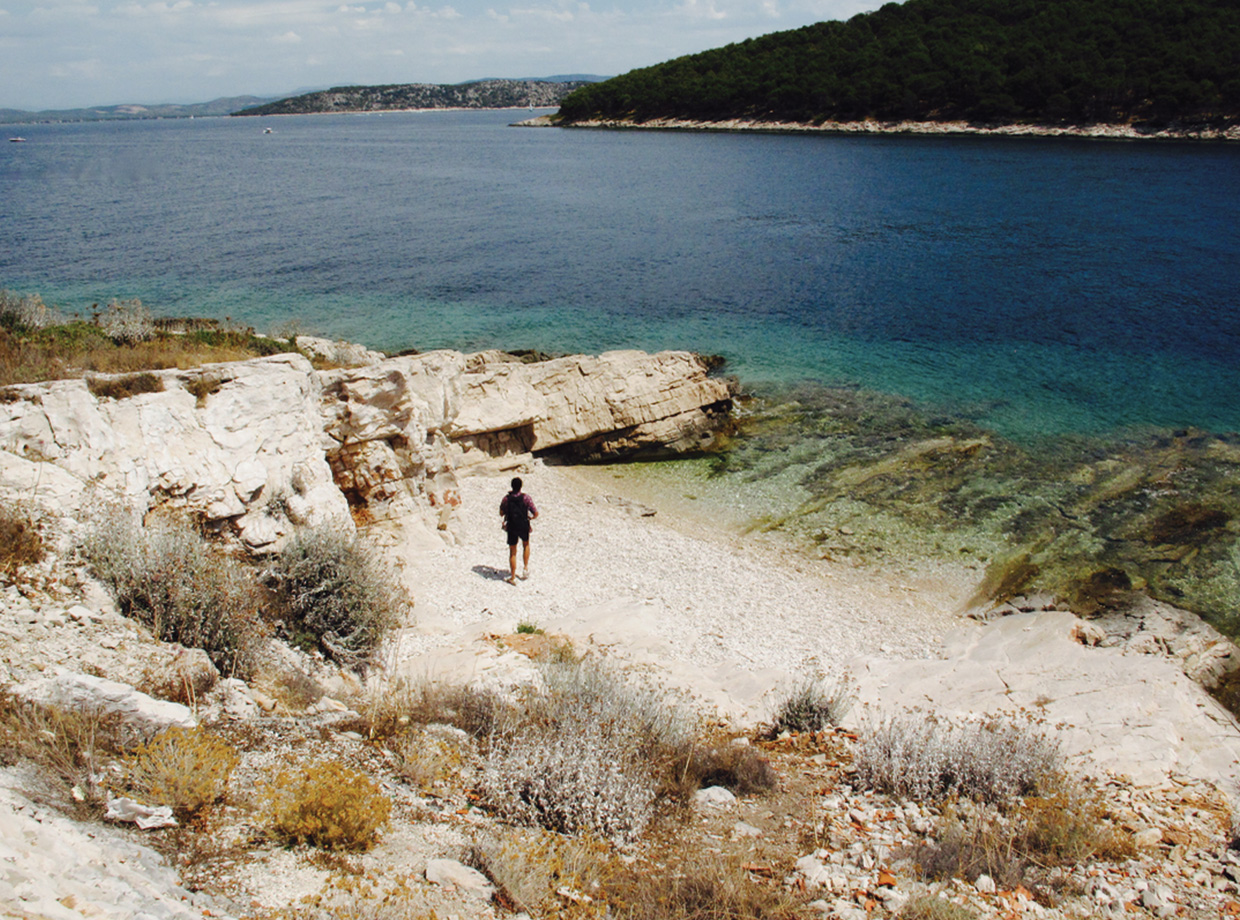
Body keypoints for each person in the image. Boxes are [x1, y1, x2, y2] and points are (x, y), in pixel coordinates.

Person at [499, 477, 538, 584]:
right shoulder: (526, 498)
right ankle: (525, 569)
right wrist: (531, 518)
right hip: (524, 525)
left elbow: (501, 513)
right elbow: (535, 513)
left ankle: (512, 577)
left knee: (513, 551)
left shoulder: (506, 499)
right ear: (521, 486)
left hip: (511, 526)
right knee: (525, 545)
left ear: (512, 486)